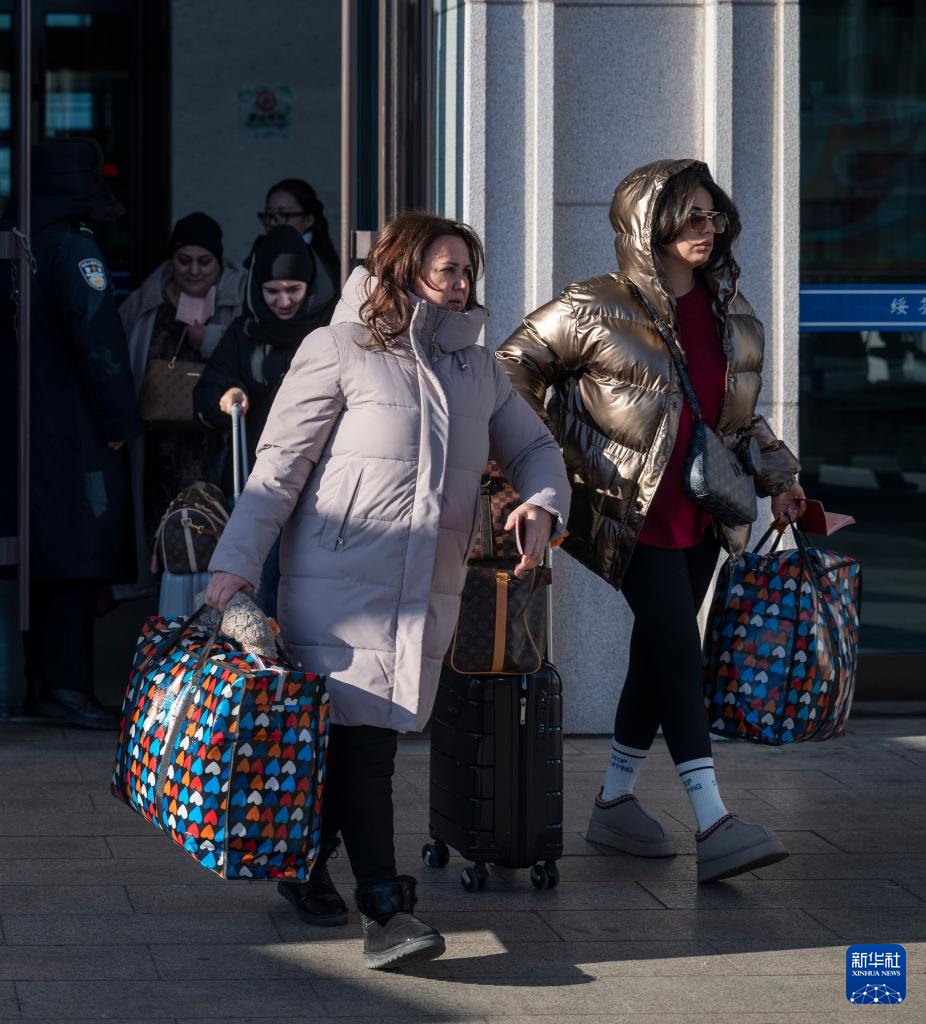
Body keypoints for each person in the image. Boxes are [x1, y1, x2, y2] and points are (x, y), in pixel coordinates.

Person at [204, 211, 570, 969]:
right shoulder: (339, 348)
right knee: (365, 750)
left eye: (468, 271)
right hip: (338, 588)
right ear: (405, 270)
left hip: (425, 591)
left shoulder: (477, 369)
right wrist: (233, 565)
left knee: (352, 748)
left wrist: (542, 503)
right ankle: (385, 909)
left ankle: (304, 865)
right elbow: (277, 468)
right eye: (447, 270)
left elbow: (535, 446)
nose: (461, 284)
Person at [496, 159, 806, 883]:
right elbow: (512, 366)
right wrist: (547, 458)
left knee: (659, 649)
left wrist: (784, 480)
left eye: (713, 214)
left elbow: (738, 419)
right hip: (626, 514)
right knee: (677, 650)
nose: (707, 227)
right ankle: (713, 819)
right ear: (650, 224)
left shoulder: (732, 312)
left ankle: (614, 802)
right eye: (691, 215)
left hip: (702, 511)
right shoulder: (594, 305)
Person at [0, 138, 138, 728]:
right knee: (78, 554)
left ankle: (42, 683)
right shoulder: (73, 249)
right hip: (74, 430)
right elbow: (98, 341)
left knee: (39, 554)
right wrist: (120, 422)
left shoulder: (17, 242)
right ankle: (67, 687)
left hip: (22, 429)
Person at [194, 225, 330, 615]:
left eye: (294, 290)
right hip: (260, 485)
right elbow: (205, 393)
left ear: (311, 287)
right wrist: (226, 397)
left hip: (321, 487)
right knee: (262, 596)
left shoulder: (332, 332)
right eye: (272, 291)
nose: (283, 301)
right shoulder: (245, 332)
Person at [119, 213, 246, 590]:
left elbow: (248, 355)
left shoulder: (239, 296)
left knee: (211, 524)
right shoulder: (147, 300)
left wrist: (208, 339)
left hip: (215, 441)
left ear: (219, 262)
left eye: (204, 261)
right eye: (183, 260)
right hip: (156, 444)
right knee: (157, 528)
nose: (193, 270)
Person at [249, 178, 340, 324]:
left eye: (284, 214)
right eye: (269, 215)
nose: (272, 222)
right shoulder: (257, 253)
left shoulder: (325, 265)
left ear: (308, 220)